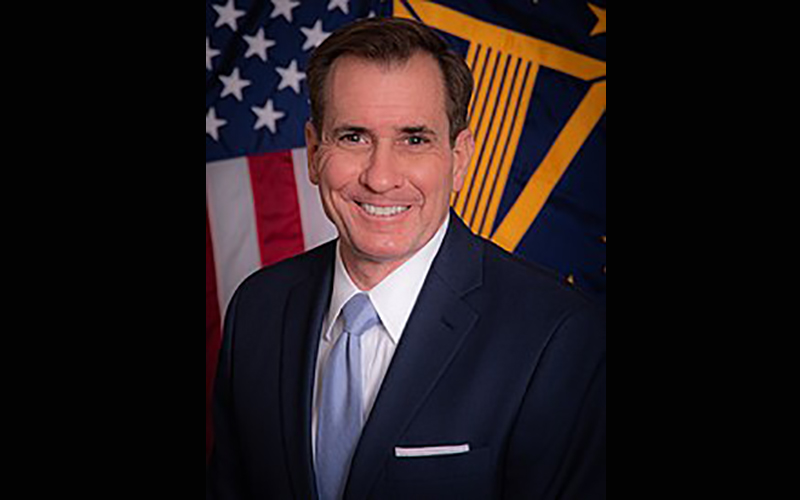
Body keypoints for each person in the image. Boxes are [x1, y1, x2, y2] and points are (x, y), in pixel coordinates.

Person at [207, 17, 605, 500]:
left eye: (414, 140)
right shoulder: (258, 308)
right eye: (353, 137)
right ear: (313, 152)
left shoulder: (558, 337)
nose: (380, 177)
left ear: (460, 158)